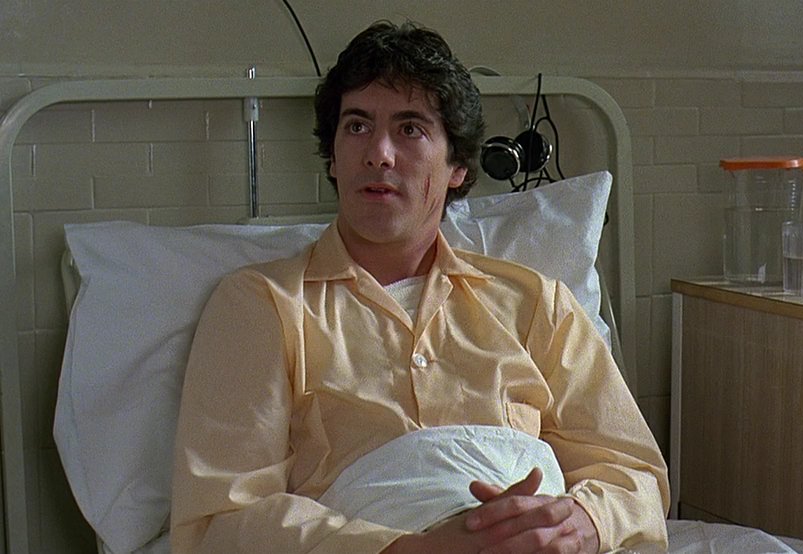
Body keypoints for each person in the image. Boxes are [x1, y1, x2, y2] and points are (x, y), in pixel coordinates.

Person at [170, 20, 668, 553]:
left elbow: (636, 473)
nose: (378, 154)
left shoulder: (535, 305)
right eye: (357, 126)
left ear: (458, 167)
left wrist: (578, 523)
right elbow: (221, 521)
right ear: (333, 158)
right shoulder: (265, 304)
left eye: (410, 129)